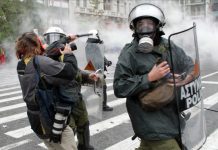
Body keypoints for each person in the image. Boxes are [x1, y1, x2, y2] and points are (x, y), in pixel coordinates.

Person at [113, 3, 194, 150]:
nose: (144, 29)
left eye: (149, 24)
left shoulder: (169, 46)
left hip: (174, 119)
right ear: (134, 28)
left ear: (157, 26)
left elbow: (190, 66)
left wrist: (183, 78)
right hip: (152, 125)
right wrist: (149, 77)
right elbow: (119, 87)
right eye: (140, 24)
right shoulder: (130, 53)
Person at [16, 32, 78, 150]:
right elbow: (70, 72)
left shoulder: (21, 64)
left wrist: (66, 39)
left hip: (35, 118)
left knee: (52, 146)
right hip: (49, 118)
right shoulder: (39, 61)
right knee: (66, 138)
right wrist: (68, 54)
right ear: (36, 44)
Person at [44, 26, 96, 150]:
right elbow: (52, 51)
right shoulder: (47, 59)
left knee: (84, 123)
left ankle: (84, 146)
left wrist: (88, 75)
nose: (55, 42)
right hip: (62, 103)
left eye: (58, 38)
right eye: (52, 38)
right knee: (69, 130)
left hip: (76, 98)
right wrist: (67, 39)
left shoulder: (66, 56)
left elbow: (75, 72)